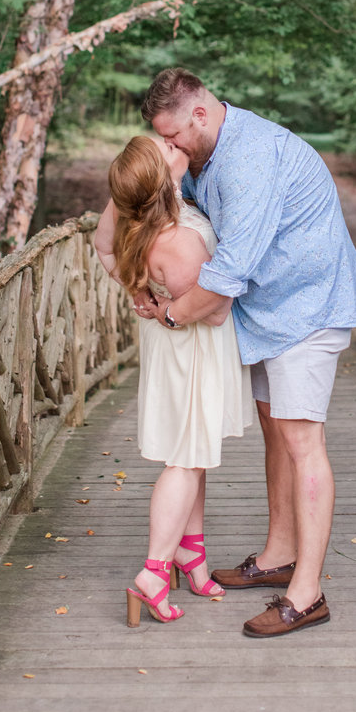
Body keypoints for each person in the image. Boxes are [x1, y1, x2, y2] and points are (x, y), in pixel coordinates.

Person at [138, 68, 356, 638]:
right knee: (276, 430)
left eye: (172, 138)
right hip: (268, 313)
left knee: (302, 439)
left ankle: (306, 592)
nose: (169, 148)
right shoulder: (204, 156)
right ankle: (279, 555)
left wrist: (170, 313)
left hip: (307, 308)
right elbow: (170, 215)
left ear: (200, 114)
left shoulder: (249, 158)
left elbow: (226, 274)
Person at [95, 134, 252, 627]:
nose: (170, 143)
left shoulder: (132, 215)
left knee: (195, 453)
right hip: (191, 351)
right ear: (162, 180)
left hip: (168, 343)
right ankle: (154, 572)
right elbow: (216, 311)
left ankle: (192, 553)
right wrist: (163, 304)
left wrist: (138, 288)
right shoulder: (178, 240)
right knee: (185, 460)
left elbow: (103, 247)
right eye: (162, 151)